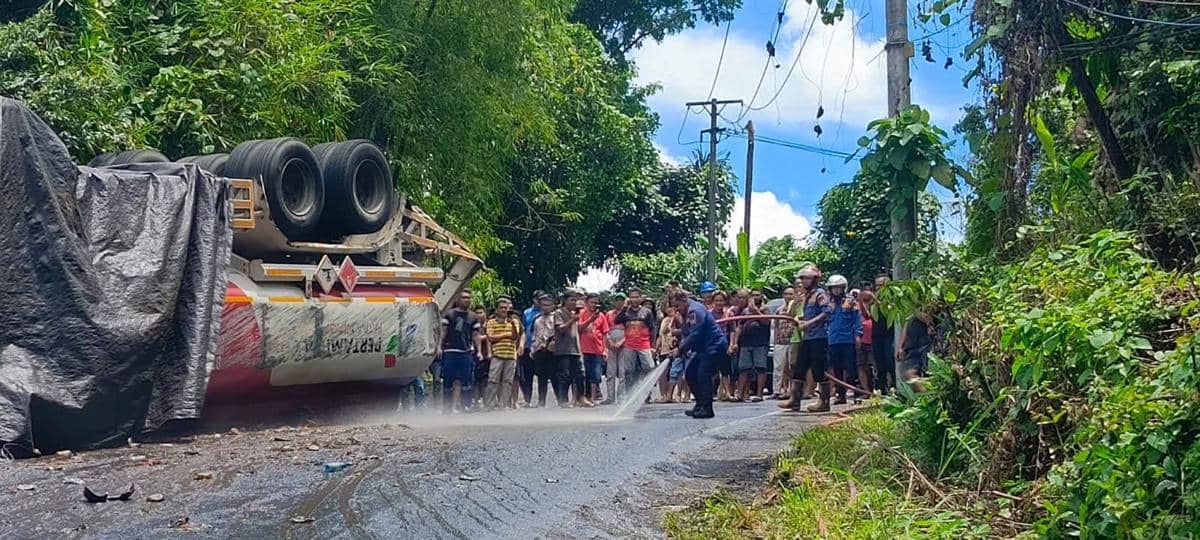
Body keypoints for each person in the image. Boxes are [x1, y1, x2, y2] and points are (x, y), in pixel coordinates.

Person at [778, 267, 833, 412]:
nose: (803, 281)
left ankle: (824, 402)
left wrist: (808, 323)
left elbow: (827, 312)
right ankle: (794, 400)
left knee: (819, 369)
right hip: (807, 337)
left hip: (818, 338)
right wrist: (800, 319)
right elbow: (806, 314)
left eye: (807, 278)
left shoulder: (820, 294)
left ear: (815, 279)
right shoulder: (806, 296)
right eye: (802, 278)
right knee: (799, 368)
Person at [671, 289, 728, 419]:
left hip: (714, 346)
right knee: (690, 374)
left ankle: (707, 409)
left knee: (703, 375)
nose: (676, 309)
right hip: (703, 349)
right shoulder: (687, 312)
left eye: (677, 305)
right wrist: (680, 346)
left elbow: (696, 333)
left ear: (684, 300)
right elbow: (687, 332)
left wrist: (681, 349)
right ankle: (700, 405)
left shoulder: (695, 311)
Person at [440, 290, 483, 413]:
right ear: (458, 300)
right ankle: (447, 407)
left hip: (466, 351)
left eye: (468, 298)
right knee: (448, 380)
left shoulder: (473, 316)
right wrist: (439, 347)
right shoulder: (449, 314)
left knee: (467, 381)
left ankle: (465, 406)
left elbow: (476, 335)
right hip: (450, 350)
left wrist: (479, 351)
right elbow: (443, 332)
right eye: (464, 298)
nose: (467, 300)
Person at [824, 275, 862, 404]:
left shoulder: (850, 301)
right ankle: (840, 395)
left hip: (848, 339)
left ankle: (856, 393)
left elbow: (857, 319)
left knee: (851, 367)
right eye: (833, 288)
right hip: (833, 340)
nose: (836, 290)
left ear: (843, 288)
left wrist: (858, 335)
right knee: (836, 369)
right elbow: (825, 321)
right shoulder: (827, 303)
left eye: (838, 287)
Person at [553, 289, 592, 407]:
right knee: (564, 375)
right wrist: (572, 320)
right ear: (565, 301)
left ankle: (581, 398)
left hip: (576, 348)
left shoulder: (574, 313)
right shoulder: (559, 312)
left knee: (580, 374)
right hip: (563, 349)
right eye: (571, 300)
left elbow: (578, 329)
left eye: (575, 300)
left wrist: (591, 319)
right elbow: (560, 328)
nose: (574, 303)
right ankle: (563, 400)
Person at [730, 289, 771, 402]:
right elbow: (739, 327)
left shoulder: (765, 309)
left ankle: (759, 394)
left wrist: (756, 311)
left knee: (760, 368)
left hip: (760, 343)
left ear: (761, 296)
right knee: (743, 368)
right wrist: (735, 342)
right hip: (746, 343)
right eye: (753, 295)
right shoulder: (745, 311)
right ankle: (740, 395)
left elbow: (766, 322)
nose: (755, 297)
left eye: (757, 295)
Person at [615, 288, 656, 394]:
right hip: (629, 345)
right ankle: (630, 393)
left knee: (649, 367)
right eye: (632, 297)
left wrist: (653, 346)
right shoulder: (626, 312)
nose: (634, 299)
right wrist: (624, 308)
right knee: (629, 370)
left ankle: (647, 392)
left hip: (644, 344)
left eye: (637, 297)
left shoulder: (646, 312)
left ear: (640, 298)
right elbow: (617, 320)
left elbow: (652, 329)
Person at [484, 297, 522, 410]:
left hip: (510, 355)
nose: (504, 310)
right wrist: (506, 335)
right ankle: (489, 404)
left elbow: (514, 336)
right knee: (492, 380)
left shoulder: (514, 321)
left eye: (506, 308)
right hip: (497, 355)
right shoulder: (491, 322)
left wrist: (512, 326)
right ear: (497, 309)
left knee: (508, 381)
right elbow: (490, 337)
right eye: (501, 308)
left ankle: (504, 404)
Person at [579, 292, 609, 404]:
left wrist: (605, 350)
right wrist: (591, 319)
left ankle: (593, 397)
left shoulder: (601, 316)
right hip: (584, 349)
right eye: (591, 302)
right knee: (585, 373)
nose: (594, 305)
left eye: (596, 303)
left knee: (595, 374)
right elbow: (579, 328)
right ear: (586, 303)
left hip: (597, 349)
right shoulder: (581, 313)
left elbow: (605, 333)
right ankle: (584, 397)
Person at [869, 276, 896, 395]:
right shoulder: (872, 301)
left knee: (890, 360)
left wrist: (878, 301)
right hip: (876, 335)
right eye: (877, 285)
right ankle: (882, 389)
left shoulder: (893, 299)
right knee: (879, 363)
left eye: (882, 285)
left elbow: (889, 311)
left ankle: (896, 386)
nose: (879, 288)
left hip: (890, 334)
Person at [529, 294, 558, 407]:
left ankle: (560, 399)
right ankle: (541, 402)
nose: (545, 307)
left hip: (552, 350)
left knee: (555, 376)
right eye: (543, 305)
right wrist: (533, 348)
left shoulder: (556, 318)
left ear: (553, 305)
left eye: (548, 305)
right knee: (541, 377)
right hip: (539, 350)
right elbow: (534, 335)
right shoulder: (537, 320)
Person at [519, 290, 546, 407]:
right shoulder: (527, 312)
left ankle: (541, 401)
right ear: (534, 299)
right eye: (538, 299)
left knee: (542, 375)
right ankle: (527, 400)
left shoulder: (546, 312)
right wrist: (522, 345)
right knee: (527, 375)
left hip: (541, 347)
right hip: (527, 346)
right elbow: (524, 329)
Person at [898, 310, 934, 392]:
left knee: (926, 374)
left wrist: (918, 313)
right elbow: (907, 322)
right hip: (912, 345)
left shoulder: (928, 305)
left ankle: (928, 396)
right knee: (907, 373)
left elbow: (928, 319)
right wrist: (901, 346)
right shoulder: (912, 310)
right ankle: (926, 395)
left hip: (927, 343)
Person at [770, 287, 797, 399]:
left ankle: (792, 390)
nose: (788, 296)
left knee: (792, 366)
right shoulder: (779, 310)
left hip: (793, 340)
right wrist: (775, 339)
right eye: (786, 294)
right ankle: (776, 390)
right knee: (778, 366)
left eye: (791, 294)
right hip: (780, 341)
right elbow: (776, 325)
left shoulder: (797, 309)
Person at [709, 290, 733, 401]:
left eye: (721, 300)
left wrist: (732, 344)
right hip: (712, 345)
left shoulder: (729, 314)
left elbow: (732, 330)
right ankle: (710, 393)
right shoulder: (708, 314)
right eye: (716, 300)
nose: (719, 303)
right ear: (713, 302)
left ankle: (727, 393)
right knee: (712, 371)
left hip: (724, 345)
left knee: (725, 371)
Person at [603, 293, 627, 404]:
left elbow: (629, 330)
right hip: (611, 342)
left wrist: (622, 342)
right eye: (617, 300)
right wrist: (610, 342)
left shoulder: (627, 314)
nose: (619, 302)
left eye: (621, 300)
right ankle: (610, 397)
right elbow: (605, 330)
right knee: (610, 372)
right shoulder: (609, 314)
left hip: (624, 342)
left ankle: (621, 397)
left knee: (623, 372)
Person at [656, 303, 681, 403]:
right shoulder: (664, 320)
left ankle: (677, 394)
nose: (669, 309)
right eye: (667, 307)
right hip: (665, 349)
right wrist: (657, 346)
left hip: (677, 348)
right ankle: (664, 395)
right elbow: (660, 335)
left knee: (676, 372)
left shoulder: (679, 318)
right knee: (664, 373)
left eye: (671, 306)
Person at [855, 283, 875, 396]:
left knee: (874, 365)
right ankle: (866, 390)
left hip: (874, 339)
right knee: (861, 365)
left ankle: (879, 388)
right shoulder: (856, 305)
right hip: (860, 339)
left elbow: (869, 315)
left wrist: (873, 299)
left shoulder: (876, 304)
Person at [470, 306, 490, 409]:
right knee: (475, 380)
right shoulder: (472, 325)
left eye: (481, 312)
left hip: (487, 356)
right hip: (474, 355)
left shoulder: (489, 325)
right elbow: (472, 337)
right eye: (477, 313)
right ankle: (476, 402)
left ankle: (486, 402)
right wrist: (485, 337)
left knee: (485, 380)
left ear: (485, 313)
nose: (479, 315)